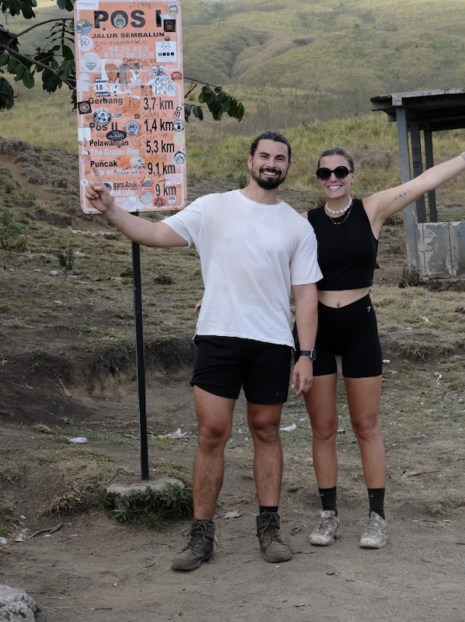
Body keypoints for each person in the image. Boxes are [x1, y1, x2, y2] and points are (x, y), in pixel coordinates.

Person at [86, 131, 321, 572]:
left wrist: (306, 354)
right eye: (265, 156)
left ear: (288, 167)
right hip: (218, 336)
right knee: (212, 434)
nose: (272, 164)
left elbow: (306, 296)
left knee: (266, 432)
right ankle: (200, 536)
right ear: (250, 159)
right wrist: (114, 211)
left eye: (281, 158)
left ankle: (269, 528)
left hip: (272, 342)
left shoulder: (297, 225)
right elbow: (156, 233)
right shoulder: (213, 206)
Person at [302, 129, 465, 549]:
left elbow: (424, 181)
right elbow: (262, 257)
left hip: (359, 323)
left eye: (340, 171)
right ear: (318, 179)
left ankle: (376, 517)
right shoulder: (305, 223)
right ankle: (328, 514)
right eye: (325, 173)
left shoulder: (371, 210)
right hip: (315, 327)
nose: (333, 178)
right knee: (323, 427)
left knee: (365, 425)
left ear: (353, 176)